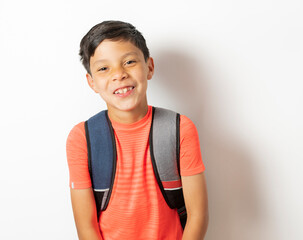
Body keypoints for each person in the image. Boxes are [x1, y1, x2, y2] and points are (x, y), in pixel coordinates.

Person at [66, 20, 209, 240]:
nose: (119, 74)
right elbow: (86, 227)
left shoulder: (180, 129)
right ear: (92, 82)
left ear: (149, 67)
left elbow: (197, 215)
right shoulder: (82, 138)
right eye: (104, 68)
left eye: (129, 62)